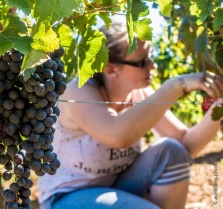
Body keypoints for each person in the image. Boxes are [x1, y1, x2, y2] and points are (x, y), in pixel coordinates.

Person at [37, 19, 223, 209]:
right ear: (111, 69)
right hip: (67, 197)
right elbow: (117, 135)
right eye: (143, 62)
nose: (153, 66)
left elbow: (185, 145)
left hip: (120, 188)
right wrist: (177, 84)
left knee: (172, 150)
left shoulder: (138, 94)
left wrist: (220, 107)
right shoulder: (78, 92)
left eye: (151, 57)